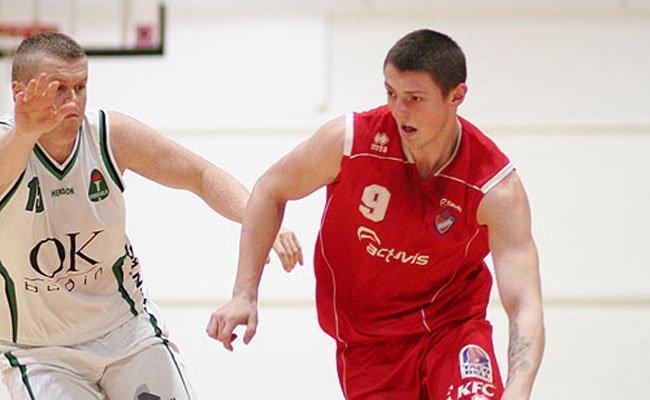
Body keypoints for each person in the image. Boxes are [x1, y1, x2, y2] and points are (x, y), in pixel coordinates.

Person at [209, 29, 544, 400]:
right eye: (391, 93)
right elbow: (269, 189)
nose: (399, 110)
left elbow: (524, 302)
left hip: (453, 328)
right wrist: (243, 294)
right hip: (369, 343)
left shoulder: (494, 187)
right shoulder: (348, 142)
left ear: (456, 96)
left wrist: (518, 390)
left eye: (415, 98)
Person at [0, 32, 303, 400]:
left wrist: (258, 220)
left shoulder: (109, 135)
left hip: (125, 331)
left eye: (80, 87)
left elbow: (200, 175)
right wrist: (25, 134)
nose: (73, 101)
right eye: (59, 89)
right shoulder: (6, 147)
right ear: (20, 92)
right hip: (40, 351)